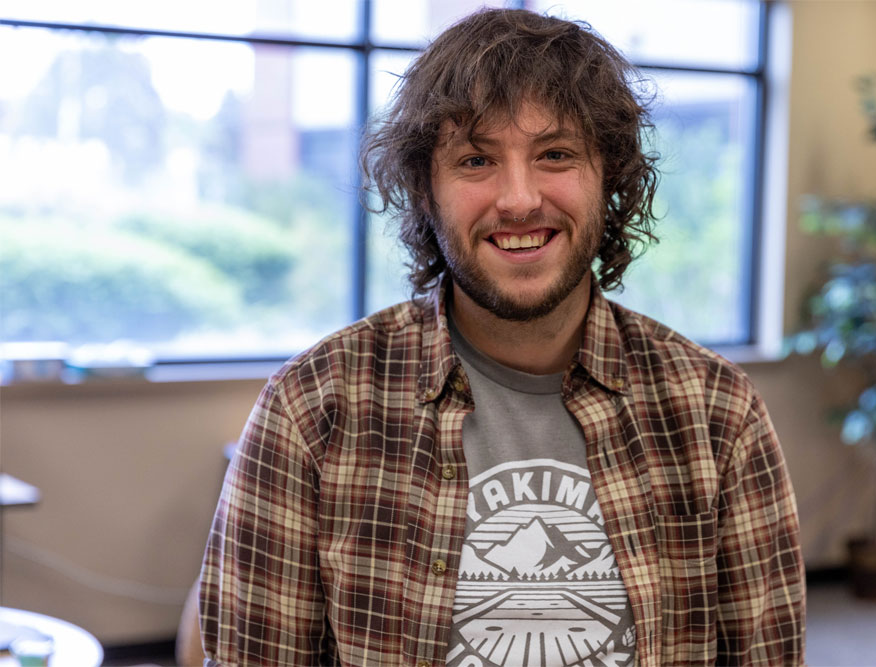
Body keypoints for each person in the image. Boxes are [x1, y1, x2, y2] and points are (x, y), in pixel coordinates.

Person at [198, 8, 804, 666]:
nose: (518, 199)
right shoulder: (311, 410)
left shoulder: (718, 415)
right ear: (425, 192)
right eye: (477, 159)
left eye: (555, 155)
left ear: (610, 180)